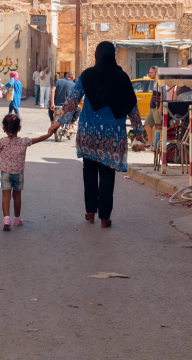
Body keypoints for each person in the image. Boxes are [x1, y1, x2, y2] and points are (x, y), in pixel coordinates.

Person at [48, 41, 145, 228]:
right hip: (112, 135)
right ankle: (104, 218)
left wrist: (59, 122)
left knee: (89, 171)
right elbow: (132, 106)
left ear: (97, 55)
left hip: (88, 133)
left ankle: (90, 212)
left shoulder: (87, 75)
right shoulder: (122, 77)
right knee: (107, 173)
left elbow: (72, 101)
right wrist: (138, 131)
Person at [0, 113, 53, 230]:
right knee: (17, 196)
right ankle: (17, 219)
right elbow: (38, 139)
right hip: (18, 174)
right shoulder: (24, 141)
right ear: (19, 128)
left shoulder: (1, 141)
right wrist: (49, 134)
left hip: (5, 173)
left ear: (4, 129)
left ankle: (6, 218)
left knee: (6, 196)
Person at [142, 66, 161, 150]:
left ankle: (158, 143)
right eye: (149, 72)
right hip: (152, 106)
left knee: (158, 126)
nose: (149, 74)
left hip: (157, 107)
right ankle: (150, 142)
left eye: (151, 72)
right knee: (147, 123)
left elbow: (163, 95)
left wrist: (160, 107)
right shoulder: (154, 82)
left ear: (156, 73)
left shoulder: (159, 82)